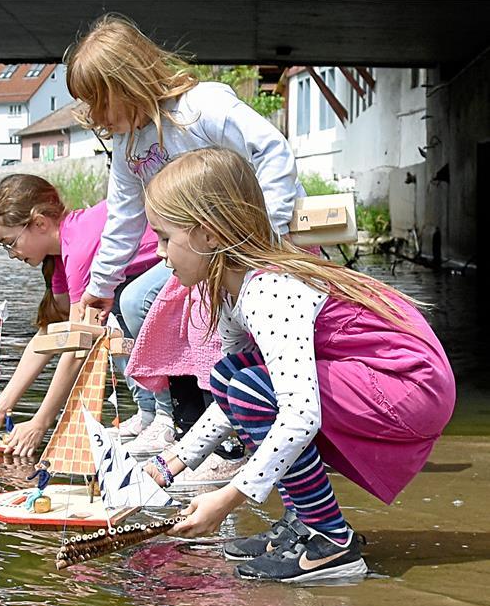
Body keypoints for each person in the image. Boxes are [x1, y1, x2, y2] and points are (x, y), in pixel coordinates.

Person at [140, 147, 455, 583]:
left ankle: (330, 540)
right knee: (231, 377)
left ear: (207, 235)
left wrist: (228, 497)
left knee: (255, 388)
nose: (157, 252)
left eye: (163, 236)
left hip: (408, 385)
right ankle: (304, 522)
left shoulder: (268, 290)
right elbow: (232, 398)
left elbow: (299, 414)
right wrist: (170, 463)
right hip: (382, 376)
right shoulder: (230, 290)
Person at [63, 14, 305, 458]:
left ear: (128, 81)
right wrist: (99, 287)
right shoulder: (127, 145)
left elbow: (272, 149)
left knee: (212, 318)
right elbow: (123, 218)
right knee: (133, 301)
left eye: (98, 101)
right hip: (201, 251)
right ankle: (185, 425)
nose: (94, 115)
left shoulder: (201, 109)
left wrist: (269, 236)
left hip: (251, 246)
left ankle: (230, 439)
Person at [0, 174, 161, 456]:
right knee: (106, 317)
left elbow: (78, 346)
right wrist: (0, 406)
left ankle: (157, 415)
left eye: (10, 242)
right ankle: (148, 413)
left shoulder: (79, 250)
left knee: (108, 321)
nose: (11, 254)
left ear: (40, 223)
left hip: (182, 259)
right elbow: (50, 335)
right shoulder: (60, 257)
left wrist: (41, 422)